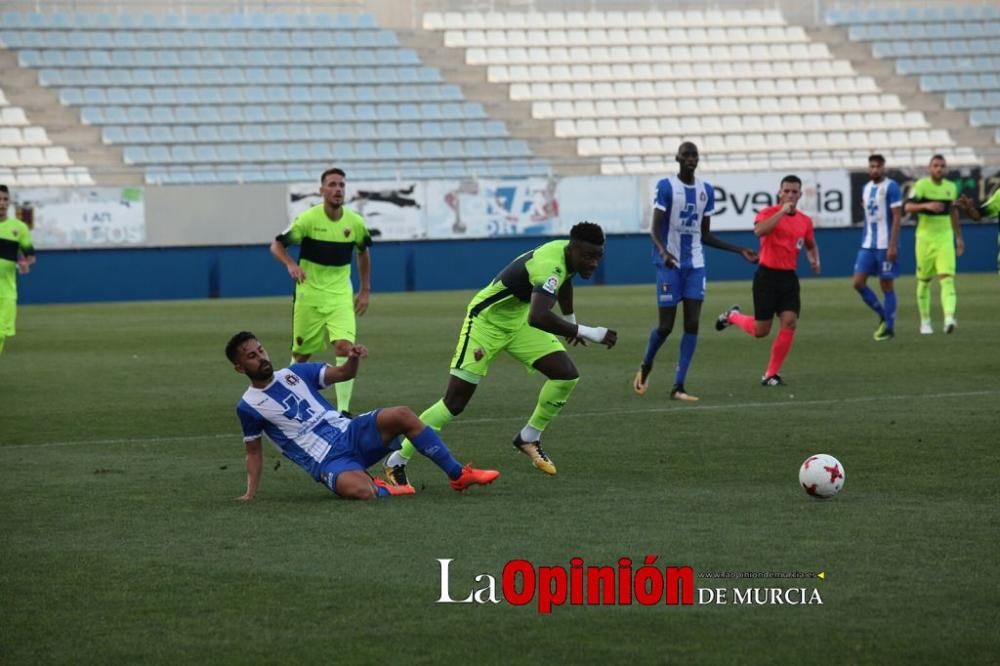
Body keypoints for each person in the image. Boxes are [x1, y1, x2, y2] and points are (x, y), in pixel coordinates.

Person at [382, 222, 617, 484]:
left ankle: (528, 437)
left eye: (598, 257)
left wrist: (571, 321)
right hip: (486, 323)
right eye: (588, 257)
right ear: (573, 249)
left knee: (566, 375)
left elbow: (564, 282)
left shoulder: (567, 256)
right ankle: (396, 461)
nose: (594, 263)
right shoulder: (550, 264)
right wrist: (588, 331)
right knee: (454, 403)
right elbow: (539, 316)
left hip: (518, 321)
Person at [226, 331, 499, 501]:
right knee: (360, 492)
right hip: (327, 461)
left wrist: (353, 357)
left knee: (402, 414)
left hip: (350, 432)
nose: (261, 357)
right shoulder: (248, 406)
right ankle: (381, 486)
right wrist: (250, 493)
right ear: (240, 368)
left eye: (261, 350)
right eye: (251, 356)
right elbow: (253, 452)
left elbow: (344, 374)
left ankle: (457, 475)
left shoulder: (294, 373)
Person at [632, 142, 757, 400]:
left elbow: (705, 235)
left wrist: (738, 250)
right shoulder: (666, 187)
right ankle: (646, 364)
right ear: (677, 158)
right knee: (665, 326)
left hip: (695, 265)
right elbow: (654, 230)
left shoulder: (706, 190)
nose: (691, 158)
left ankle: (678, 385)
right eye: (686, 154)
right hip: (669, 265)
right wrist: (665, 253)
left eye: (694, 155)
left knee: (692, 324)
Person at [271, 167, 372, 416]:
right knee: (301, 354)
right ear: (322, 190)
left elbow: (363, 252)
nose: (338, 189)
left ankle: (344, 410)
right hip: (309, 296)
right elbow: (276, 245)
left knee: (344, 347)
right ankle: (287, 401)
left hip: (339, 296)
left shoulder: (355, 223)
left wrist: (365, 289)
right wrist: (291, 264)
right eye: (333, 185)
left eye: (341, 185)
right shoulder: (308, 220)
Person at [715, 175, 820, 386]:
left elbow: (810, 243)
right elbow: (759, 231)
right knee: (761, 331)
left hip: (789, 278)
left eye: (794, 191)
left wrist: (813, 259)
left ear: (800, 195)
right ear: (779, 193)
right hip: (767, 277)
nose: (790, 195)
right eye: (786, 191)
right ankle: (733, 316)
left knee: (789, 322)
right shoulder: (768, 213)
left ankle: (771, 374)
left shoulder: (805, 221)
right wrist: (782, 212)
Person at [903, 155, 964, 334]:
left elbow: (953, 213)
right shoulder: (921, 186)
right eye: (936, 166)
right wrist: (927, 206)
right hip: (924, 239)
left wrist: (958, 237)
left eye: (942, 166)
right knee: (924, 281)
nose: (939, 169)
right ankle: (925, 321)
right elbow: (907, 207)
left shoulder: (951, 188)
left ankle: (949, 318)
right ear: (929, 168)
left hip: (945, 238)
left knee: (947, 278)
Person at [852, 154, 903, 341]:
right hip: (868, 245)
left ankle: (889, 327)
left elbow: (897, 217)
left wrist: (893, 245)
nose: (875, 169)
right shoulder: (866, 188)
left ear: (884, 168)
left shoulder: (891, 187)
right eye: (872, 166)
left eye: (878, 166)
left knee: (886, 285)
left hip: (885, 245)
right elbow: (868, 217)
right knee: (857, 283)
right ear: (868, 168)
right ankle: (883, 314)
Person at [0, 184, 36, 358]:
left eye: (5, 199)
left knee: (1, 334)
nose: (2, 203)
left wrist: (25, 263)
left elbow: (30, 255)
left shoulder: (19, 228)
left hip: (7, 292)